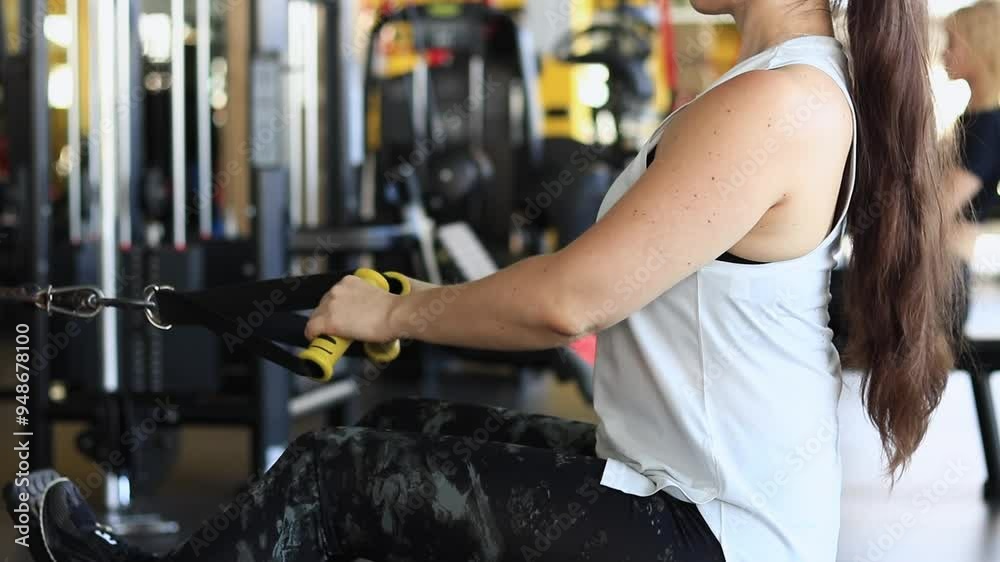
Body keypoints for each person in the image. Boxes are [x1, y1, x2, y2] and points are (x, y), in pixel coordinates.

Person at [6, 1, 961, 561]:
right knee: (394, 430)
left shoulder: (782, 99)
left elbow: (568, 301)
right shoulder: (788, 82)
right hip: (684, 492)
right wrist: (404, 311)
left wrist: (398, 309)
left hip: (710, 533)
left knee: (340, 475)